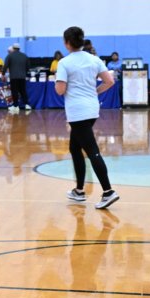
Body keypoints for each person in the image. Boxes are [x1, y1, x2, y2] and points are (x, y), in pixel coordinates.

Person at [55, 26, 119, 210]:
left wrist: (58, 83)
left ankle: (108, 191)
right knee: (75, 148)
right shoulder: (94, 59)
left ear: (67, 43)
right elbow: (109, 81)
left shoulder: (64, 63)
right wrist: (94, 92)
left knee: (92, 151)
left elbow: (60, 90)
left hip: (77, 112)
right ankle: (79, 191)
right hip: (91, 109)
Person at [3, 43, 31, 113]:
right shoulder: (24, 56)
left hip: (13, 77)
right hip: (22, 77)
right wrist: (24, 72)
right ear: (19, 48)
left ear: (13, 48)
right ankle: (27, 105)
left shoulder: (9, 56)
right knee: (23, 91)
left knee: (14, 91)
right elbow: (28, 67)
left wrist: (3, 74)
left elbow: (5, 66)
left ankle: (16, 106)